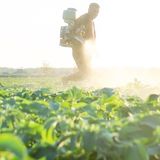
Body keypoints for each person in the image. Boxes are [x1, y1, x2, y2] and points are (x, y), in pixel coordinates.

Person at [63, 3, 100, 82]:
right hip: (79, 51)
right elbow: (77, 35)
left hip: (86, 51)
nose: (96, 14)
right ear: (89, 10)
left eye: (97, 12)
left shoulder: (90, 21)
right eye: (94, 11)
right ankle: (66, 79)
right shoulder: (84, 19)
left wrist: (93, 50)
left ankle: (72, 82)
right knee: (86, 72)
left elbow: (91, 38)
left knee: (87, 72)